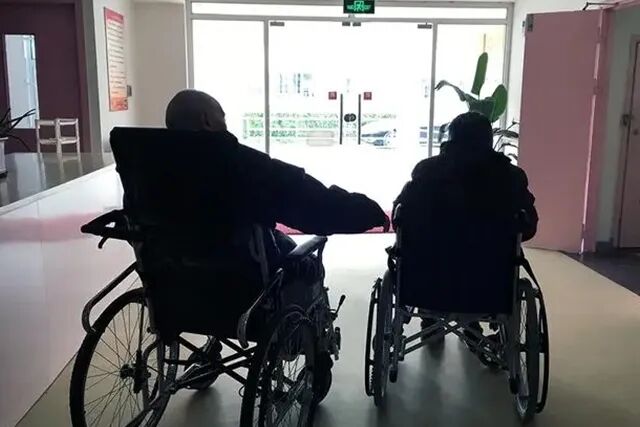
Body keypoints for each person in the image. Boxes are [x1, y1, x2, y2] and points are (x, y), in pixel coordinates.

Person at [164, 88, 388, 273]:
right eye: (222, 116)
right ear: (206, 121)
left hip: (174, 289)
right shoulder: (244, 166)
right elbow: (317, 208)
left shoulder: (154, 168)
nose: (225, 123)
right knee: (309, 267)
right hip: (244, 288)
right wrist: (369, 212)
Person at [394, 111, 538, 344]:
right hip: (490, 286)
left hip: (427, 283)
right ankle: (473, 321)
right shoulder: (510, 177)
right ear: (489, 140)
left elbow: (401, 217)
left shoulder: (427, 171)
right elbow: (529, 226)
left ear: (451, 138)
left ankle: (430, 318)